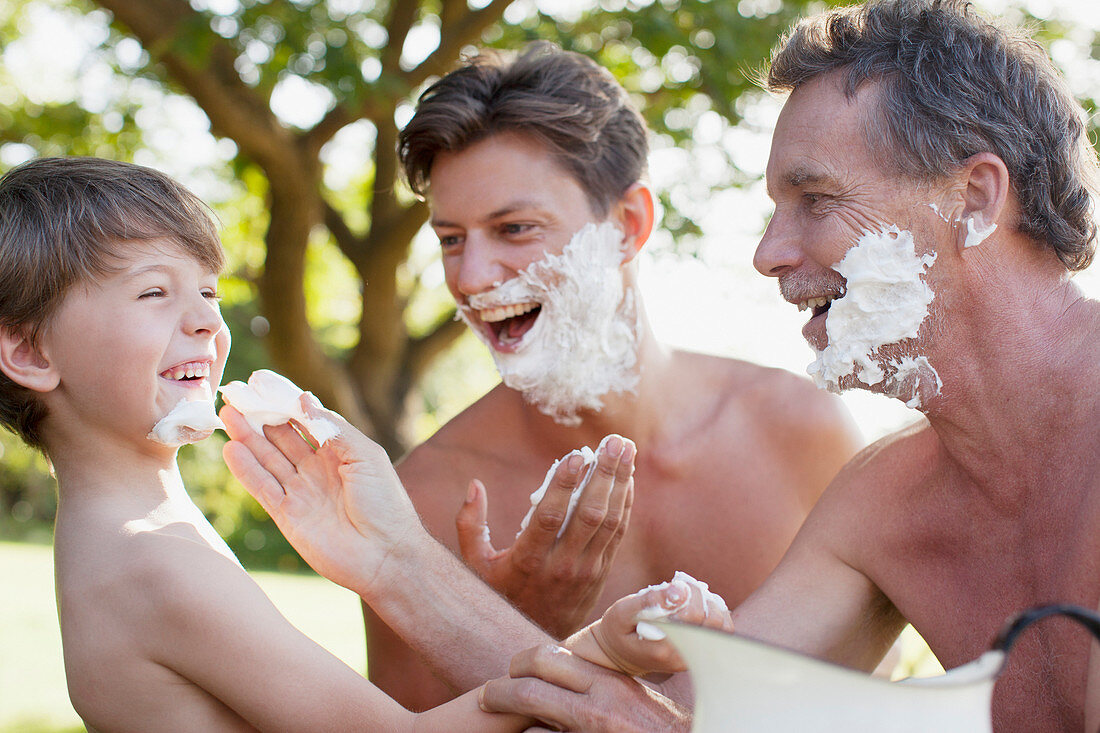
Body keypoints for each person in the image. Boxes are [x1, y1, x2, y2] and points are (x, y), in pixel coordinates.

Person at [475, 1, 1100, 731]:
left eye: (815, 199)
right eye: (777, 207)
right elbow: (672, 715)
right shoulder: (886, 499)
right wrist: (388, 560)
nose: (768, 253)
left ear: (974, 199)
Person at [0, 156, 627, 731]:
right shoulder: (152, 560)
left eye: (209, 291)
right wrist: (589, 655)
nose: (208, 322)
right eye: (153, 292)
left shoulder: (120, 533)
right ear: (30, 351)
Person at [368, 41, 864, 709]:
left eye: (514, 228)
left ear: (629, 223)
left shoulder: (802, 430)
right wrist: (520, 628)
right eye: (451, 238)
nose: (470, 276)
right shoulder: (426, 500)